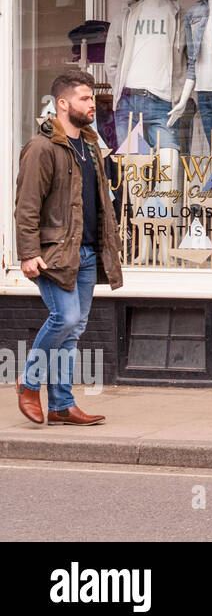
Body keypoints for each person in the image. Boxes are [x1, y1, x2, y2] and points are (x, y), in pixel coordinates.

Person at [16, 70, 124, 426]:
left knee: (74, 330)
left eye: (93, 98)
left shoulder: (91, 146)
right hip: (54, 254)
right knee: (66, 317)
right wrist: (28, 253)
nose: (92, 104)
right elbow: (27, 205)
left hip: (89, 251)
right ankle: (29, 382)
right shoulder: (42, 147)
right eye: (84, 98)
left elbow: (98, 202)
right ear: (63, 104)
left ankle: (61, 404)